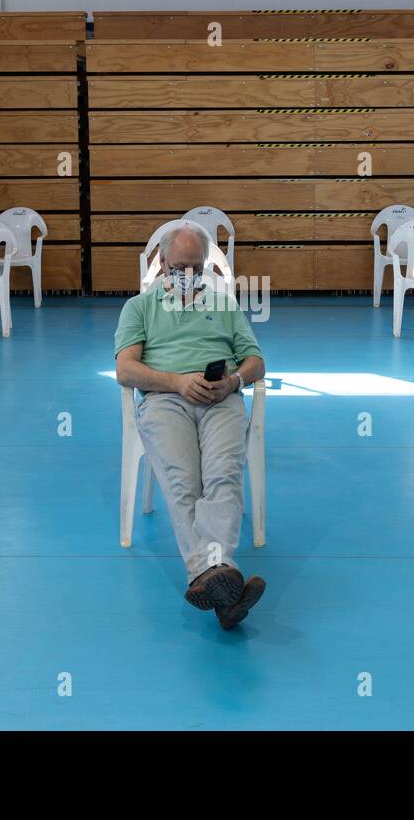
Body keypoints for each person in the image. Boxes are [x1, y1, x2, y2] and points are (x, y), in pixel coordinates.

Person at [114, 222, 268, 630]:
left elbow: (256, 362)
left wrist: (233, 381)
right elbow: (126, 370)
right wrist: (177, 382)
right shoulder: (139, 307)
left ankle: (213, 580)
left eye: (196, 268)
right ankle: (220, 577)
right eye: (180, 266)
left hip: (221, 400)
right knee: (184, 480)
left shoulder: (224, 304)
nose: (189, 275)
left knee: (223, 475)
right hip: (166, 399)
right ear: (162, 263)